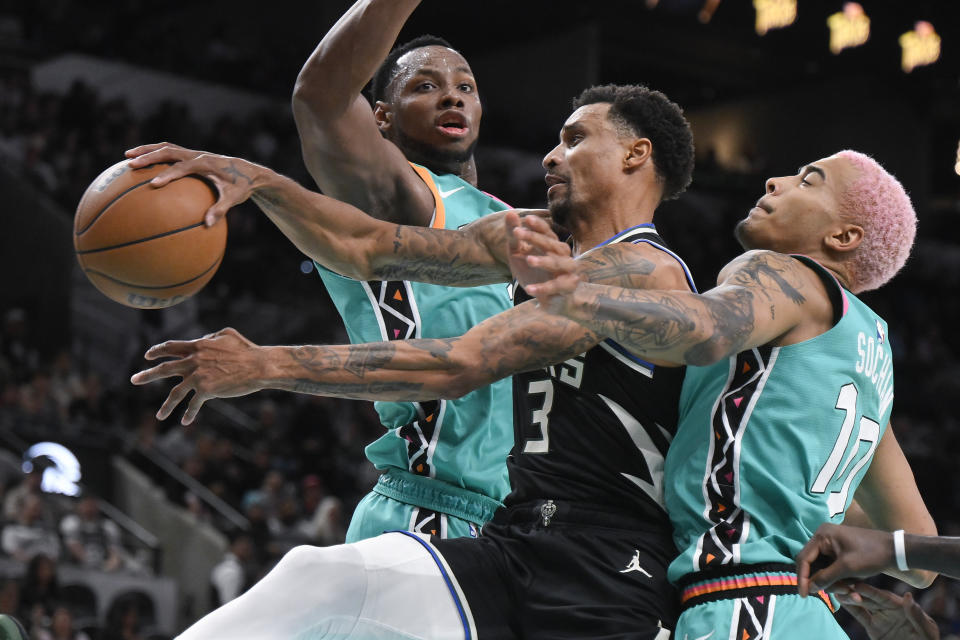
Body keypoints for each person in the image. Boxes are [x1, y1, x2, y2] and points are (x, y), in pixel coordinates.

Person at [131, 83, 696, 639]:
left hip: (611, 567)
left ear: (635, 153)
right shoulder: (537, 239)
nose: (550, 156)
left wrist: (264, 366)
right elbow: (369, 247)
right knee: (319, 577)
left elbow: (458, 364)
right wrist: (257, 182)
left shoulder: (643, 272)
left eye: (574, 140)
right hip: (518, 543)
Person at [507, 150, 938, 639]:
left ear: (842, 237)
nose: (775, 179)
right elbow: (919, 555)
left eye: (808, 181)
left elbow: (707, 328)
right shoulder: (872, 357)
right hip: (809, 617)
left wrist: (576, 294)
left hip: (742, 603)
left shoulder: (784, 273)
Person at [127, 0, 514, 543]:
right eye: (424, 86)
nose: (452, 94)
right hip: (431, 517)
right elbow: (321, 98)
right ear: (381, 118)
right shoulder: (400, 193)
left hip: (517, 530)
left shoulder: (511, 221)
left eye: (466, 86)